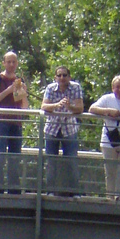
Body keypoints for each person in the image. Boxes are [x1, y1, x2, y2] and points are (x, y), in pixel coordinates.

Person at [0, 53, 29, 195]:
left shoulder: (19, 81)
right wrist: (8, 91)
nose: (11, 64)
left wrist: (23, 92)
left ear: (17, 63)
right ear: (4, 63)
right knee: (0, 155)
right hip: (1, 121)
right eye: (8, 61)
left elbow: (24, 107)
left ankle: (14, 189)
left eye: (13, 62)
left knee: (15, 157)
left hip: (16, 123)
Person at [41, 65, 84, 196]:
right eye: (59, 75)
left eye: (64, 75)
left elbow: (80, 108)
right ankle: (50, 191)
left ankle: (73, 191)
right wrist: (56, 105)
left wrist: (69, 106)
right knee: (51, 161)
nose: (62, 78)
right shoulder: (50, 88)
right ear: (55, 77)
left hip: (69, 128)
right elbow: (44, 106)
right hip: (52, 128)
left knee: (71, 161)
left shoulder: (75, 87)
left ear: (69, 77)